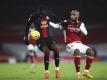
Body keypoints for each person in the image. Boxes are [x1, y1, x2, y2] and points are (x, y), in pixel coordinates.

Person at [50, 10, 94, 79]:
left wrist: (79, 26)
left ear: (77, 16)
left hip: (79, 44)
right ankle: (78, 73)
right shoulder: (66, 22)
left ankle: (86, 71)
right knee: (77, 52)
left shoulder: (81, 24)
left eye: (73, 15)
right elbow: (55, 26)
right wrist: (48, 21)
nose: (71, 16)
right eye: (71, 15)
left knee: (91, 52)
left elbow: (86, 33)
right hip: (70, 44)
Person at [24, 5, 60, 79]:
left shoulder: (49, 13)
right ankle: (46, 72)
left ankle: (57, 70)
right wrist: (26, 37)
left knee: (56, 50)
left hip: (49, 38)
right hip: (40, 39)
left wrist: (62, 22)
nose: (41, 18)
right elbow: (27, 25)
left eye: (43, 16)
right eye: (40, 17)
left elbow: (56, 18)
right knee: (46, 51)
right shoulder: (33, 16)